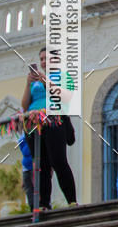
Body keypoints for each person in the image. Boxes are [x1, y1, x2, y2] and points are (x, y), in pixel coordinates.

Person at [21, 46, 77, 212]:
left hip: (54, 119)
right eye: (42, 59)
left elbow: (66, 97)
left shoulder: (63, 76)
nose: (44, 62)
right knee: (40, 164)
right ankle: (44, 203)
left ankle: (72, 201)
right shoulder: (35, 82)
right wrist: (27, 84)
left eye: (47, 58)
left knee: (58, 161)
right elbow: (24, 106)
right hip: (33, 121)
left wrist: (46, 80)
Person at [18, 134, 33, 211]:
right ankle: (32, 208)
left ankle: (41, 206)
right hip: (26, 168)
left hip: (34, 166)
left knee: (36, 187)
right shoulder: (22, 138)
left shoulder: (33, 134)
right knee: (28, 190)